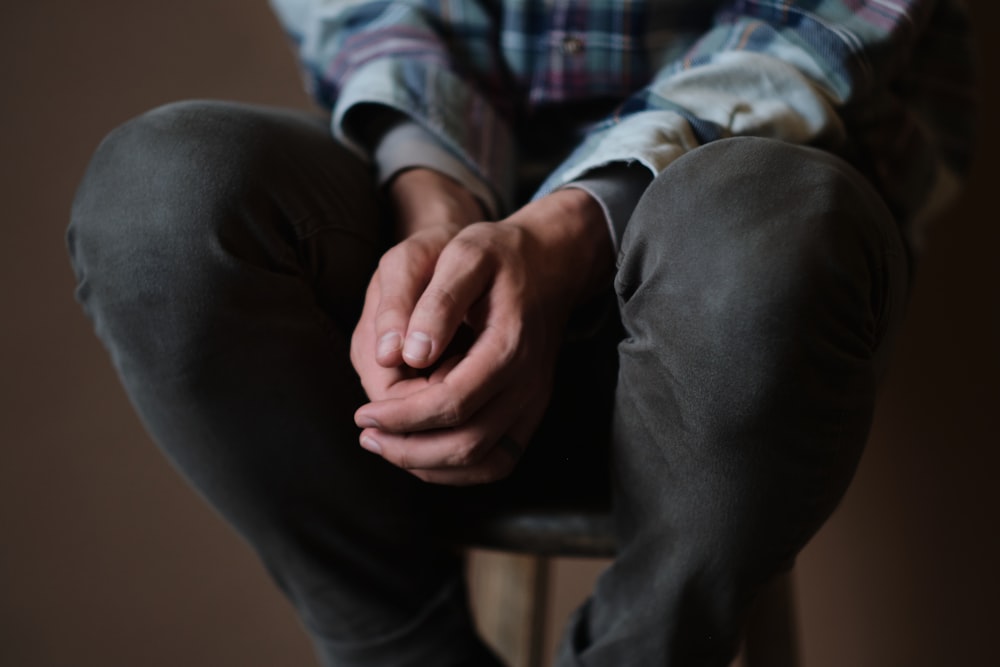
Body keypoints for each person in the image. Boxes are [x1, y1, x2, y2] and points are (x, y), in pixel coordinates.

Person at [67, 0, 975, 665]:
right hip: (433, 221)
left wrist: (567, 229)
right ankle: (400, 652)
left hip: (747, 323)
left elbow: (824, 23)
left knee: (769, 226)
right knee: (161, 201)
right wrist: (439, 211)